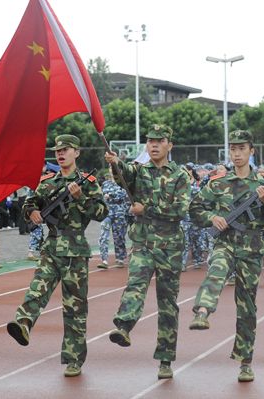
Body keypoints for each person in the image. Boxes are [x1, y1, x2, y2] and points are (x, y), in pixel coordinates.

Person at [188, 130, 264, 383]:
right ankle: (202, 311)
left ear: (251, 151)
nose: (237, 153)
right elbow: (195, 208)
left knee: (247, 306)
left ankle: (245, 361)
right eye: (233, 149)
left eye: (242, 148)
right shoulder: (218, 182)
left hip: (252, 248)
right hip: (225, 242)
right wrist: (213, 218)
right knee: (216, 269)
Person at [6, 134, 108, 377]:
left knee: (74, 308)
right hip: (52, 248)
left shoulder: (88, 182)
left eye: (66, 149)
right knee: (37, 289)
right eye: (57, 150)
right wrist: (32, 212)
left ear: (77, 152)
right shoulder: (48, 181)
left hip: (76, 252)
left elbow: (102, 212)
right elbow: (29, 203)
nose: (60, 153)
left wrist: (79, 197)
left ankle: (74, 359)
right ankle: (23, 323)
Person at [104, 124, 191, 380]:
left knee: (167, 305)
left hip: (170, 248)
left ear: (169, 145)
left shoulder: (180, 176)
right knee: (135, 285)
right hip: (142, 243)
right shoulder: (139, 171)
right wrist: (114, 163)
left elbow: (180, 210)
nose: (153, 145)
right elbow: (122, 176)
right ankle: (124, 326)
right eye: (150, 141)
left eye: (159, 141)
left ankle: (165, 359)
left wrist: (147, 209)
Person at [98, 172, 130, 268]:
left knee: (119, 236)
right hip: (107, 213)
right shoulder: (105, 183)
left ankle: (120, 258)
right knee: (104, 236)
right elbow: (100, 194)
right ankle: (104, 260)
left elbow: (123, 195)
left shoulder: (123, 183)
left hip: (119, 213)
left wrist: (110, 195)